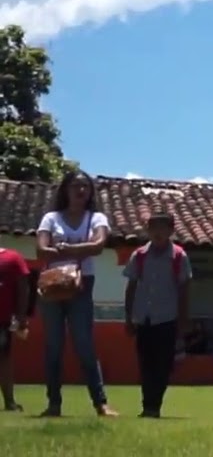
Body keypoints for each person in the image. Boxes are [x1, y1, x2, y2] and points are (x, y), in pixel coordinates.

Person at [34, 170, 117, 418]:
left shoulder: (96, 218)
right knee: (53, 346)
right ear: (66, 190)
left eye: (84, 186)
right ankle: (54, 404)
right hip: (52, 286)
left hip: (82, 285)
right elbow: (40, 251)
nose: (80, 190)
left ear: (90, 192)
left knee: (84, 344)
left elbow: (98, 245)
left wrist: (64, 249)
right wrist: (78, 251)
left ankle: (100, 403)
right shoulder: (50, 218)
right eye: (75, 186)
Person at [122, 212, 193, 418]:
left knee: (163, 364)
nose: (158, 233)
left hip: (167, 318)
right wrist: (128, 317)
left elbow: (184, 288)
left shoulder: (179, 256)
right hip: (144, 318)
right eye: (154, 228)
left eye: (163, 228)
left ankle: (155, 405)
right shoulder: (140, 255)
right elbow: (131, 286)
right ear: (148, 230)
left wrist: (183, 318)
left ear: (171, 230)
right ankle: (147, 405)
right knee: (145, 363)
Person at [0, 244, 30, 412]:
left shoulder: (12, 258)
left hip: (2, 320)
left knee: (3, 359)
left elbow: (23, 288)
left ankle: (9, 401)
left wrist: (21, 316)